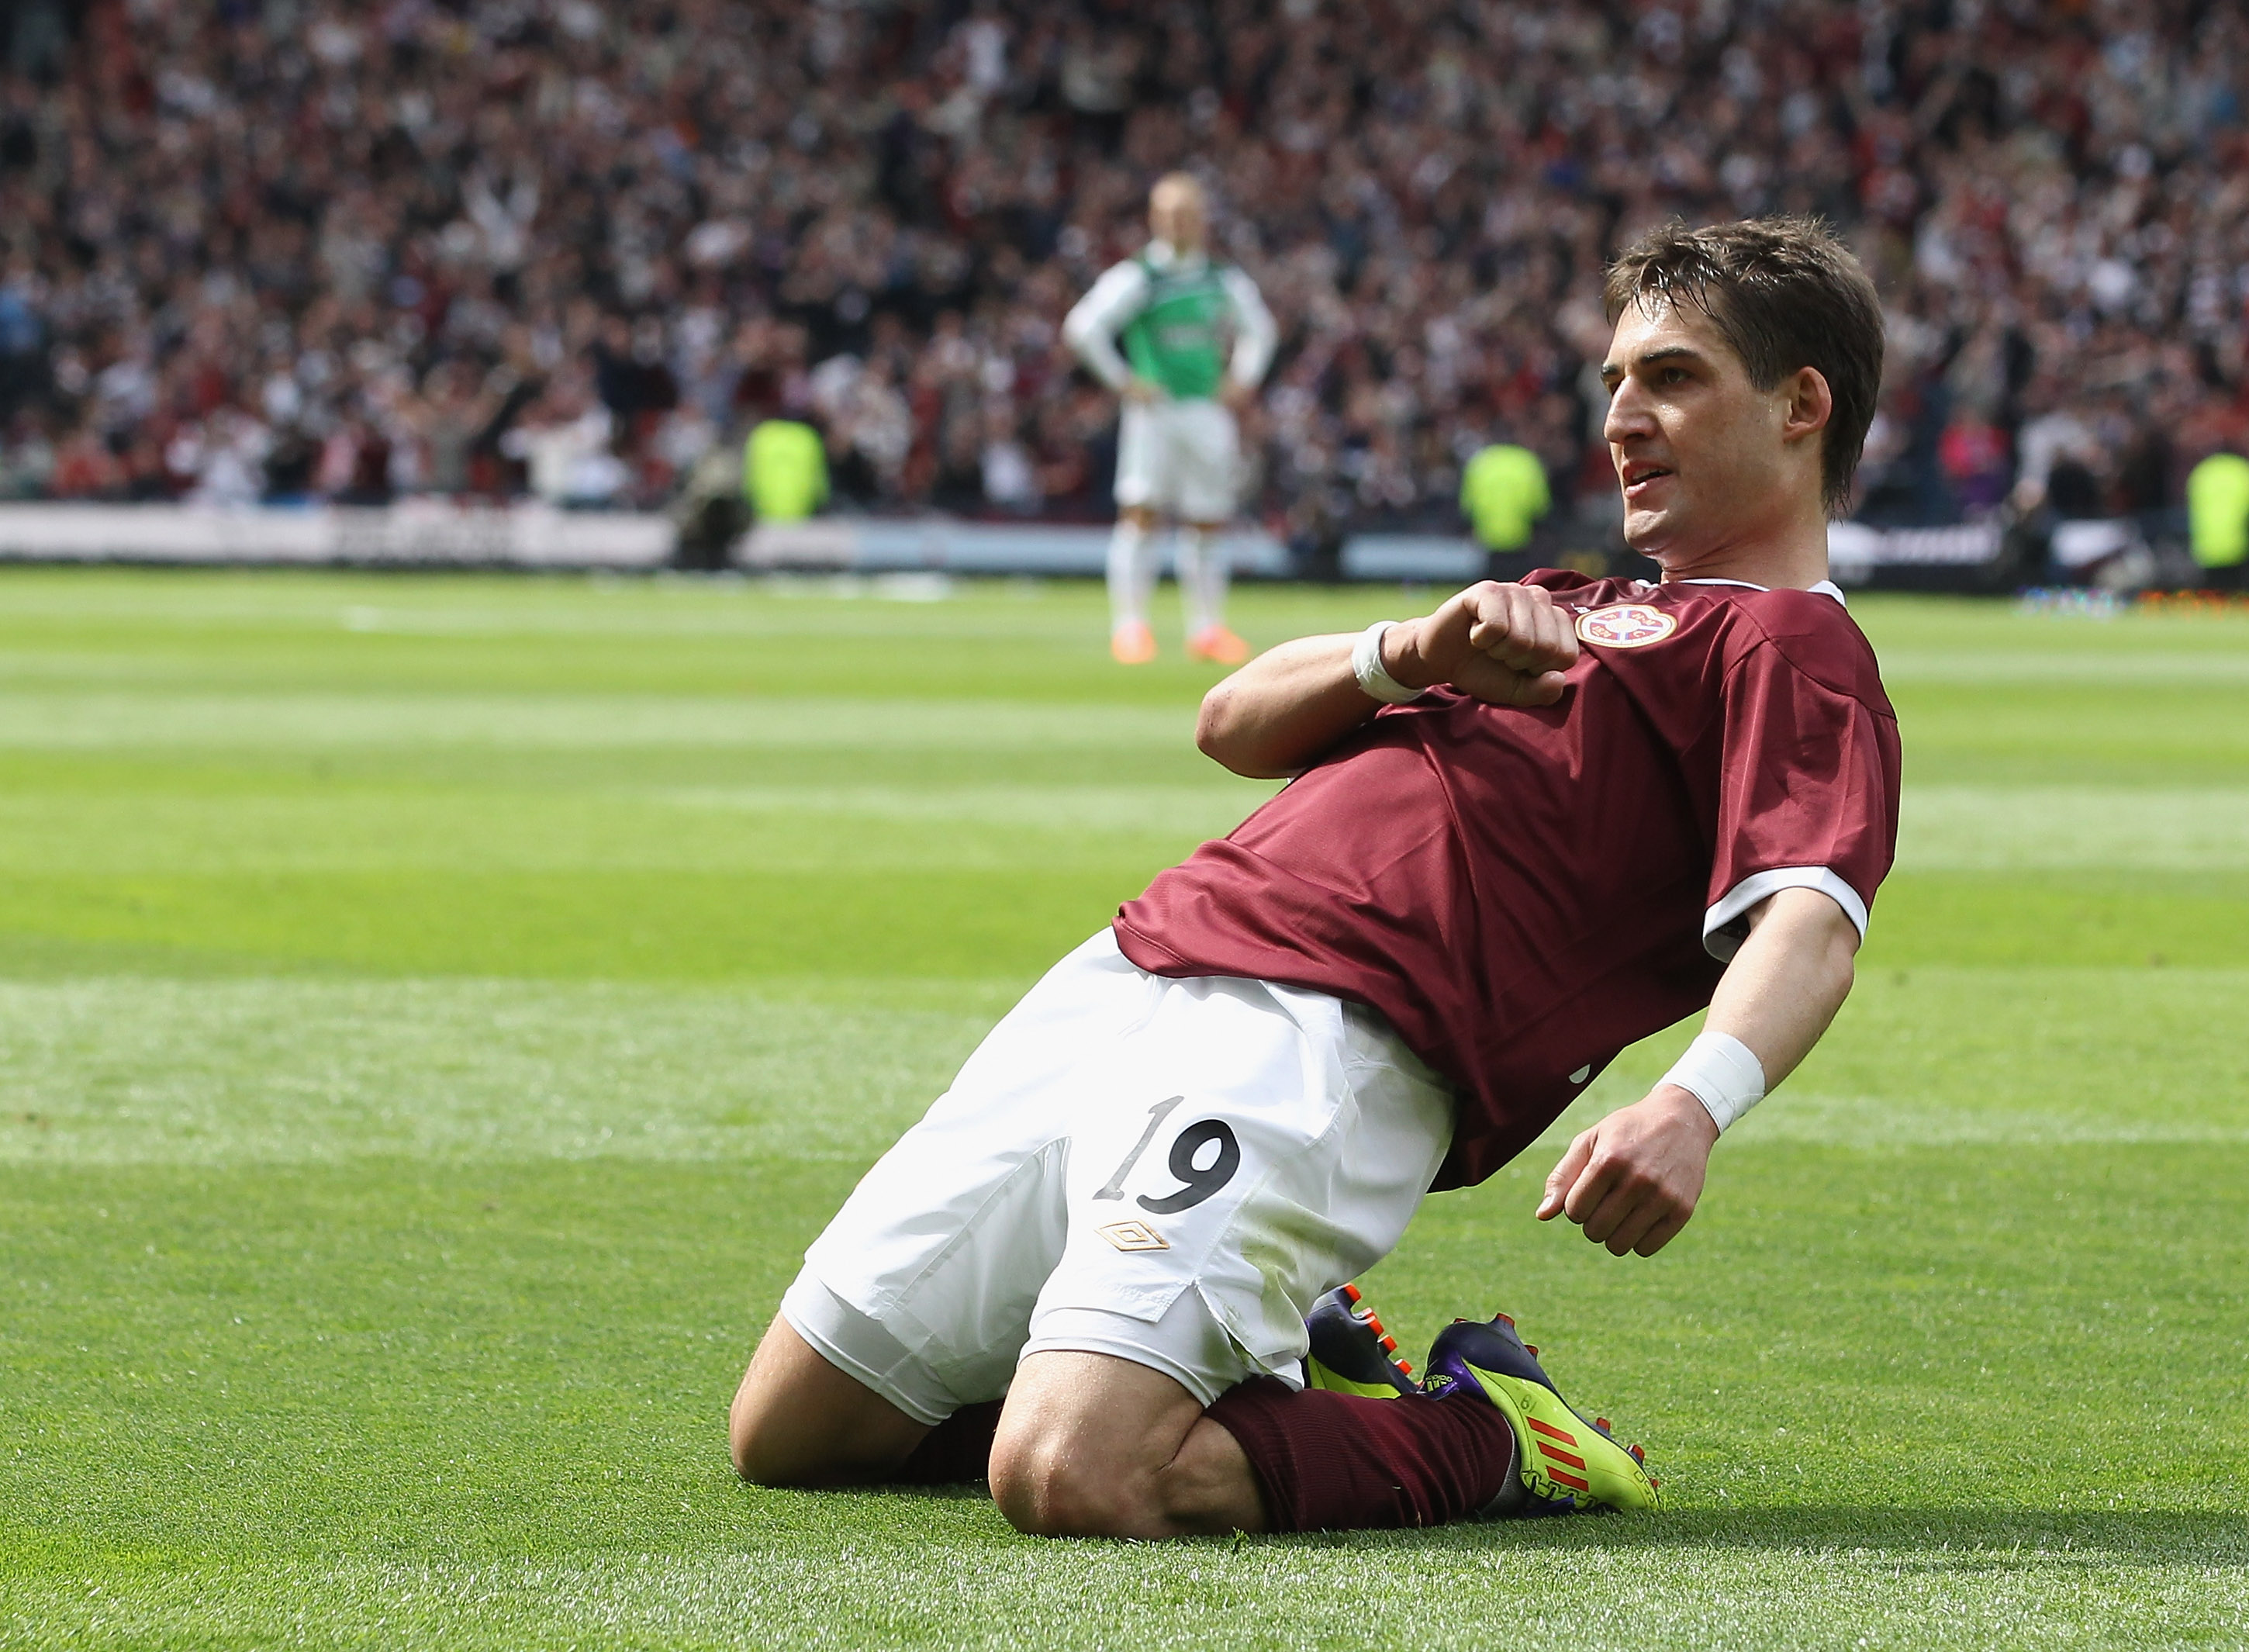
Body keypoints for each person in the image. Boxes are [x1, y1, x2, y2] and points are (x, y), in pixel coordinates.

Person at [730, 217, 1900, 1540]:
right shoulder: (1559, 598)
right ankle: (1264, 1375)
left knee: (1074, 1478)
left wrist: (1693, 1107)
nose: (1624, 415)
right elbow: (1229, 722)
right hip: (1135, 964)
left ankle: (1494, 1431)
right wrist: (1415, 645)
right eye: (1617, 381)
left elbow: (1809, 915)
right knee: (793, 1431)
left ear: (1802, 404)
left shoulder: (1796, 649)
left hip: (1329, 1036)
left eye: (1673, 378)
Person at [1062, 173, 1277, 666]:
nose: (1179, 223)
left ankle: (1206, 629)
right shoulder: (1140, 276)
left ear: (1202, 219)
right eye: (1170, 213)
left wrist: (1243, 379)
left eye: (1188, 213)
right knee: (1142, 513)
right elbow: (1083, 327)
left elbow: (1260, 332)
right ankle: (1131, 627)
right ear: (1155, 219)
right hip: (1154, 413)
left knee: (1208, 519)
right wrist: (1122, 380)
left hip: (1206, 410)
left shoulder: (1221, 279)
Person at [1458, 437, 1553, 582]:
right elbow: (1540, 505)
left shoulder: (1481, 461)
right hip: (1521, 536)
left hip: (1489, 538)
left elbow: (1468, 503)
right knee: (1519, 583)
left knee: (1492, 582)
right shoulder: (1527, 461)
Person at [2187, 445, 2249, 591]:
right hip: (2237, 541)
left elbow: (2191, 503)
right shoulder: (2243, 470)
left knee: (2212, 587)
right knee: (2234, 585)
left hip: (2205, 542)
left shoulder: (2202, 471)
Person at [745, 415, 831, 524]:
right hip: (803, 520)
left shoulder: (762, 436)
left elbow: (748, 483)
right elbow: (821, 486)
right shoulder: (808, 437)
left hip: (764, 519)